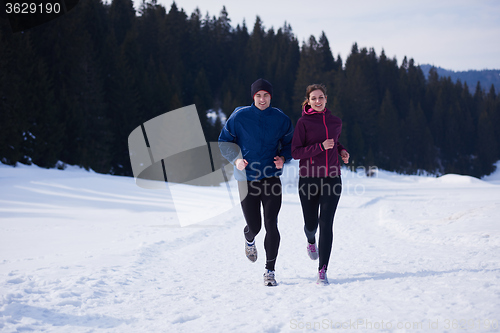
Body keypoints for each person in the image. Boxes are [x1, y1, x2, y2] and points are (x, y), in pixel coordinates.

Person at [218, 78, 294, 286]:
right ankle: (249, 238)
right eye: (258, 95)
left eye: (266, 95)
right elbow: (224, 142)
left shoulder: (281, 119)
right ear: (253, 97)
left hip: (270, 177)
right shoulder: (239, 116)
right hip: (246, 178)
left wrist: (283, 158)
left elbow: (290, 144)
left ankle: (270, 271)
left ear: (271, 97)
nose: (262, 99)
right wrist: (236, 159)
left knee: (271, 223)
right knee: (255, 226)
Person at [291, 84, 350, 285]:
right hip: (308, 179)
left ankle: (322, 270)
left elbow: (336, 141)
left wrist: (341, 151)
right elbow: (296, 152)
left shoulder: (335, 122)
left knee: (326, 224)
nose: (318, 101)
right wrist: (320, 147)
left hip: (332, 178)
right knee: (311, 225)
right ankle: (310, 239)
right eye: (313, 98)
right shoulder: (303, 123)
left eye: (321, 97)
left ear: (326, 99)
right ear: (308, 101)